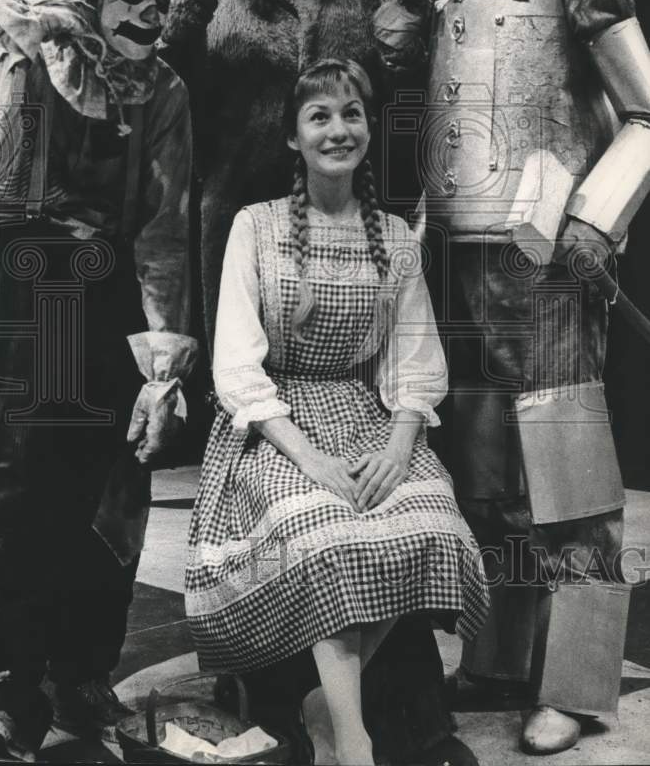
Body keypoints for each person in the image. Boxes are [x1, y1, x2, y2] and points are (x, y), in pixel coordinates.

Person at [420, 0, 650, 755]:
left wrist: (599, 219)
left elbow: (646, 114)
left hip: (552, 272)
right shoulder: (442, 6)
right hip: (465, 275)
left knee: (569, 480)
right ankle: (501, 656)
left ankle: (582, 678)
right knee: (486, 478)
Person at [185, 58, 489, 766]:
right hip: (274, 425)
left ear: (368, 127)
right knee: (326, 534)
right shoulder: (254, 227)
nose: (337, 129)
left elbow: (414, 359)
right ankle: (352, 740)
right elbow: (234, 360)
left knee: (433, 522)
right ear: (293, 137)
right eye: (319, 116)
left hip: (365, 412)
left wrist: (396, 444)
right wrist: (308, 456)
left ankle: (327, 702)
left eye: (351, 114)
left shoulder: (393, 235)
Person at [0, 0, 203, 760]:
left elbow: (164, 226)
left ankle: (81, 674)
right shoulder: (32, 59)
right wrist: (26, 67)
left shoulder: (166, 90)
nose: (152, 4)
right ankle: (1, 682)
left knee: (109, 493)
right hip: (34, 294)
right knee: (12, 483)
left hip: (111, 306)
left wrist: (161, 360)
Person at [162, 0, 432, 349]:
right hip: (232, 221)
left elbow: (395, 112)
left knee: (335, 358)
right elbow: (177, 121)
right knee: (237, 367)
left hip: (342, 222)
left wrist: (410, 37)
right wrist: (180, 41)